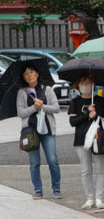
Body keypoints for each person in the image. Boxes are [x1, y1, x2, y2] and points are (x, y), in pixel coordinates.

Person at [17, 62, 62, 200]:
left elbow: (56, 108)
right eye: (26, 73)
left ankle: (56, 189)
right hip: (30, 132)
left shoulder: (47, 90)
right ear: (23, 77)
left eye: (31, 72)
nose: (29, 75)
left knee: (52, 160)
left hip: (47, 130)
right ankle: (37, 190)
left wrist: (42, 106)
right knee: (34, 162)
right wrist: (34, 108)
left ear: (37, 74)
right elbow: (20, 113)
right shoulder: (22, 92)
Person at [67, 76, 104, 209]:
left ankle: (99, 198)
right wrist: (87, 115)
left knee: (100, 169)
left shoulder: (100, 100)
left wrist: (96, 114)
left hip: (98, 139)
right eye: (83, 83)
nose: (85, 85)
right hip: (81, 140)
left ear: (93, 84)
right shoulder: (75, 101)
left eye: (88, 82)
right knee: (86, 170)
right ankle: (89, 198)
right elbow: (73, 122)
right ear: (78, 85)